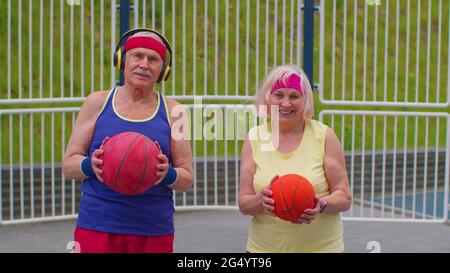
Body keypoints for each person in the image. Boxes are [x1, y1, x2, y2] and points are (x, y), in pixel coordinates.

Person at [62, 28, 193, 253]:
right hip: (97, 223)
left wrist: (167, 173)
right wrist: (90, 164)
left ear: (164, 70)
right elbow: (68, 166)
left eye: (153, 59)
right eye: (137, 56)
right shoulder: (97, 102)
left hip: (152, 228)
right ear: (122, 60)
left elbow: (186, 178)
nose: (144, 64)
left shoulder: (174, 111)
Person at [238, 65, 352, 253]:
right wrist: (261, 199)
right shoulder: (254, 138)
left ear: (305, 100)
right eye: (279, 95)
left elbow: (344, 197)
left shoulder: (324, 136)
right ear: (268, 98)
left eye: (294, 96)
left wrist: (321, 204)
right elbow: (244, 204)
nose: (286, 103)